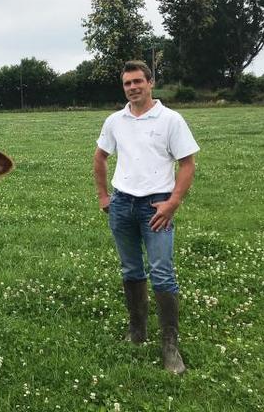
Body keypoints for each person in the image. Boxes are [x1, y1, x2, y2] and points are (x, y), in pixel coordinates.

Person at [93, 60, 199, 374]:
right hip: (122, 204)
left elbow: (188, 164)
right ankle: (137, 332)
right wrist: (103, 196)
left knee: (162, 272)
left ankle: (170, 346)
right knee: (130, 268)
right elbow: (100, 157)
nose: (133, 88)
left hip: (157, 207)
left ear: (150, 83)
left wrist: (172, 203)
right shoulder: (115, 121)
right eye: (127, 83)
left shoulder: (171, 120)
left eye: (138, 81)